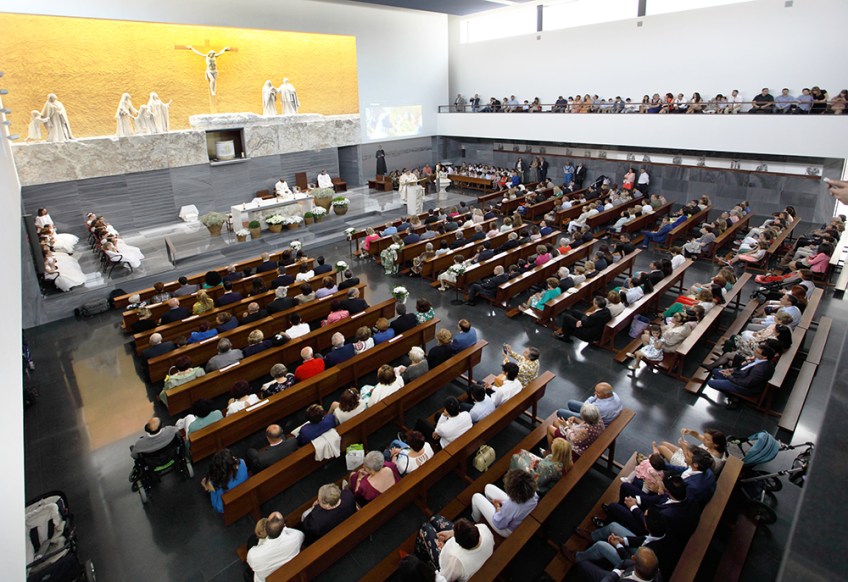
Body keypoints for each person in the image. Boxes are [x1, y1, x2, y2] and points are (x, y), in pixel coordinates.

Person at [415, 517, 494, 582]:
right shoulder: (483, 529)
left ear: (459, 544)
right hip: (476, 559)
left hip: (446, 559)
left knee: (425, 527)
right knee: (435, 519)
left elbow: (443, 579)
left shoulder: (456, 562)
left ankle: (420, 554)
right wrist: (451, 533)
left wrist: (442, 549)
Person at [471, 468, 538, 537]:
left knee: (476, 497)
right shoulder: (533, 494)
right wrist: (503, 502)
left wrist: (497, 507)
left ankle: (476, 520)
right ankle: (487, 510)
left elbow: (499, 524)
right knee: (488, 487)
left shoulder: (510, 506)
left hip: (507, 530)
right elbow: (516, 505)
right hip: (519, 512)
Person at [707, 344, 776, 408]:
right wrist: (732, 370)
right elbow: (746, 367)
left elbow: (746, 383)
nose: (754, 352)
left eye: (757, 352)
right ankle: (730, 391)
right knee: (715, 371)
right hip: (741, 376)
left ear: (764, 357)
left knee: (710, 382)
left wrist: (729, 377)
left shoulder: (760, 370)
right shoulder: (762, 360)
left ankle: (731, 393)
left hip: (744, 387)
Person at [246, 512, 305, 582]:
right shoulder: (296, 537)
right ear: (283, 526)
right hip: (290, 573)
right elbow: (301, 535)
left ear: (266, 529)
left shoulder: (253, 555)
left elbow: (251, 564)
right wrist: (283, 528)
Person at [201, 449, 248, 513]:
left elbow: (219, 508)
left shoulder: (221, 487)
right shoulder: (242, 463)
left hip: (232, 503)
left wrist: (212, 490)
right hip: (244, 492)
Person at [557, 382, 622, 426]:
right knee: (570, 403)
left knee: (560, 412)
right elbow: (593, 399)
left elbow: (586, 407)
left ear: (606, 395)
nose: (595, 393)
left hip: (593, 419)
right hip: (599, 413)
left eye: (598, 392)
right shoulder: (614, 395)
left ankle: (573, 421)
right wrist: (596, 397)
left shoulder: (601, 407)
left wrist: (591, 400)